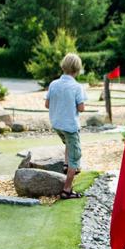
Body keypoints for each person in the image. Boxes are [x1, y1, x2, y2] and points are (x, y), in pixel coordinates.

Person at [45, 53, 87, 199]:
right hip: (70, 126)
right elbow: (81, 108)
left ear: (63, 66)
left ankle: (65, 164)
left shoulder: (53, 84)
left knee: (68, 142)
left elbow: (47, 104)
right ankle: (67, 190)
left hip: (57, 125)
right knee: (76, 156)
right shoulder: (77, 87)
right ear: (77, 69)